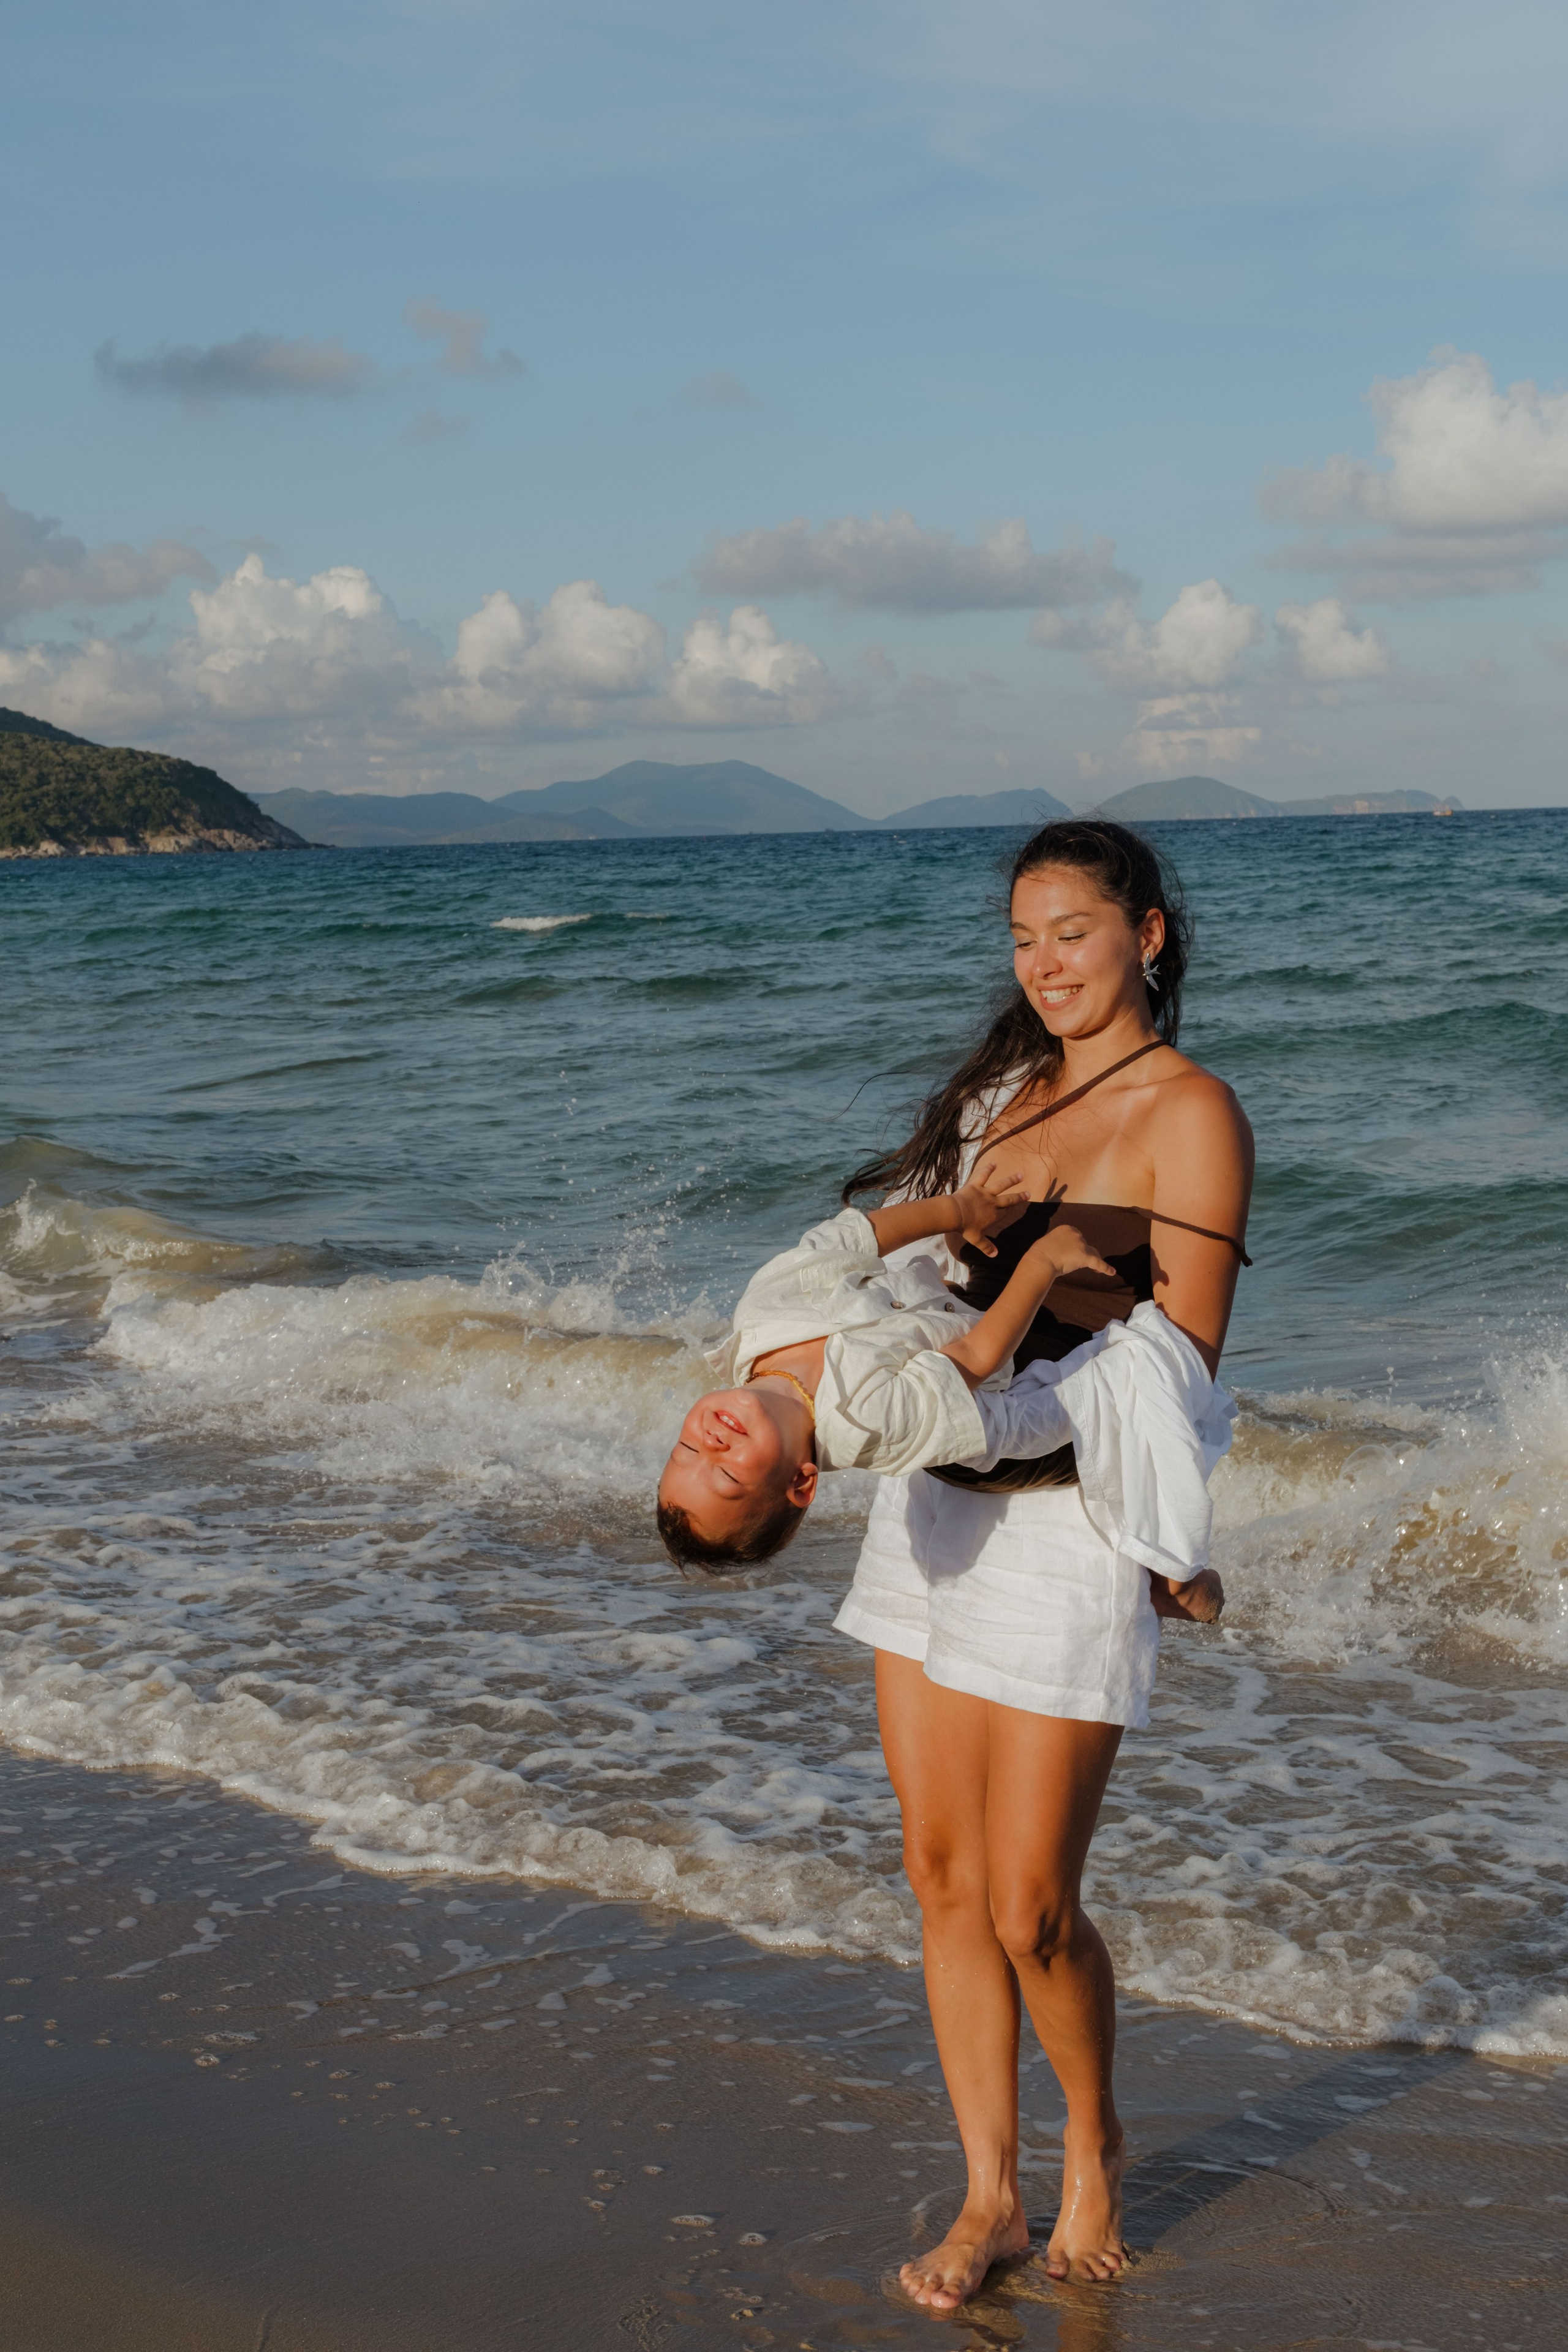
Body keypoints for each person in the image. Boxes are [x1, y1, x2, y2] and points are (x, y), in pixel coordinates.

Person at [832, 818, 1254, 2305]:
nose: (1042, 964)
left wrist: (1165, 1542)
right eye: (1020, 937)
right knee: (938, 1874)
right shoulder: (1001, 1095)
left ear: (1145, 933)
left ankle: (1093, 2140)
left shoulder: (1189, 1112)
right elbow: (909, 1283)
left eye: (1069, 930)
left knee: (1028, 1904)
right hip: (940, 1507)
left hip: (1069, 1517)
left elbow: (1183, 1363)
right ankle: (989, 2191)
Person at [656, 1181, 1229, 1628]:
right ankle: (1176, 1581)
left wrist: (960, 1209)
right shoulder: (865, 1418)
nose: (712, 1445)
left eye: (686, 1450)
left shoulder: (759, 1320)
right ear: (803, 1483)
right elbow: (979, 1355)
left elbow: (848, 1239)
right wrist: (1042, 1264)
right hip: (994, 1431)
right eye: (727, 1474)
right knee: (1134, 1402)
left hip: (937, 1352)